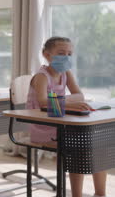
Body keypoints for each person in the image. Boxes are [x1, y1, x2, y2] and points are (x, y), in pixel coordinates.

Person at [27, 36, 106, 197]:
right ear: (46, 54)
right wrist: (68, 102)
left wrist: (61, 101)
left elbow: (80, 95)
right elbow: (43, 103)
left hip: (60, 120)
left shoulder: (66, 73)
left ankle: (100, 194)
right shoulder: (42, 76)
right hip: (43, 125)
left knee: (100, 145)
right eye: (61, 53)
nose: (66, 57)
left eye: (69, 54)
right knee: (78, 147)